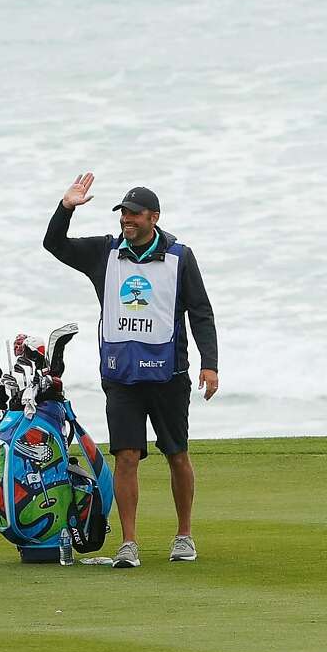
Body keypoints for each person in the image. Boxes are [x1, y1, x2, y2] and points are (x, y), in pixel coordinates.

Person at [43, 173, 217, 568]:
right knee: (125, 457)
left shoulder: (179, 257)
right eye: (123, 213)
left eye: (135, 214)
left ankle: (184, 535)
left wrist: (211, 364)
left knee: (177, 454)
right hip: (121, 375)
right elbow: (54, 244)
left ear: (153, 217)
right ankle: (129, 543)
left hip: (169, 374)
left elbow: (200, 312)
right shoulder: (104, 253)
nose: (127, 219)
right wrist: (66, 208)